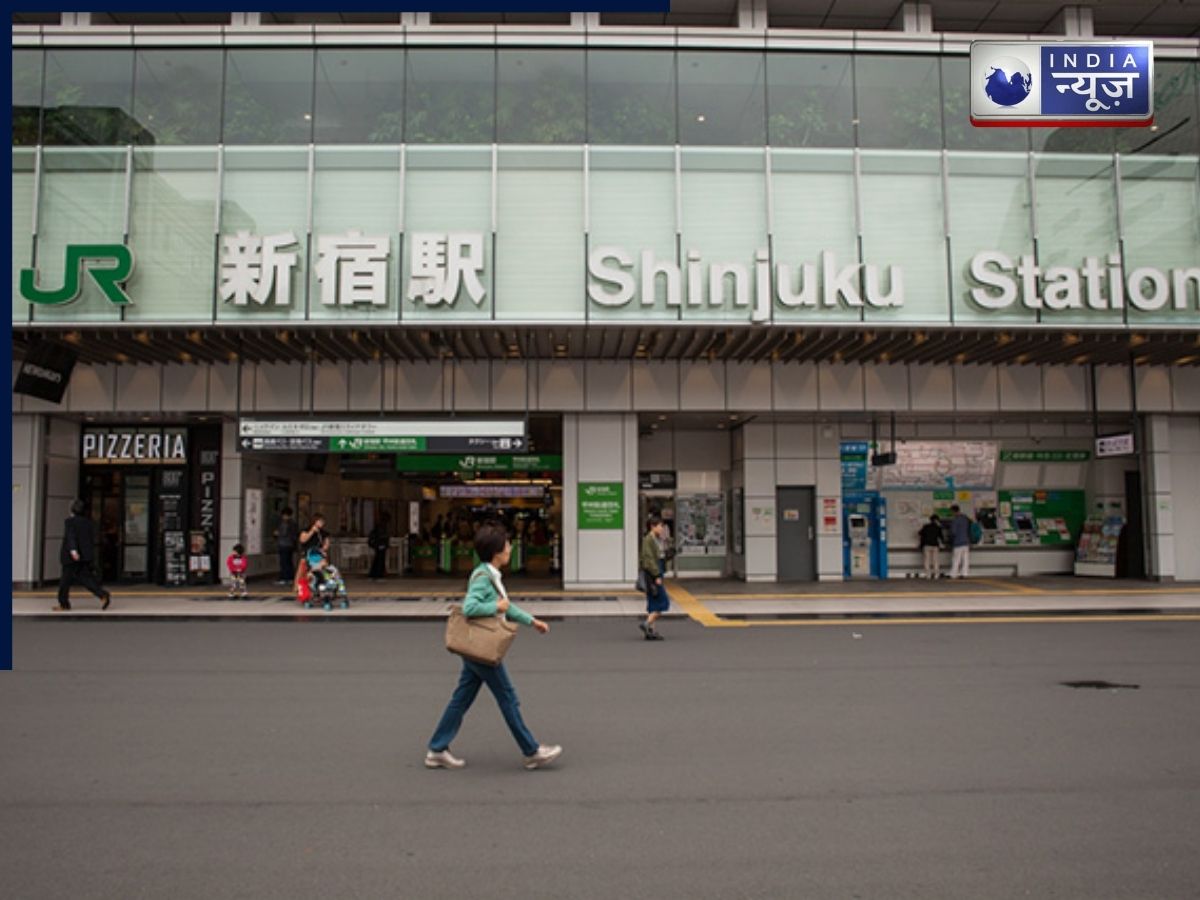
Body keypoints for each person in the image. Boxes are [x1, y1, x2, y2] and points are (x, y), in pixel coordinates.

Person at [426, 521, 562, 771]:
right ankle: (531, 750)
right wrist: (494, 608)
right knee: (507, 697)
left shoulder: (489, 574)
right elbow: (470, 608)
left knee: (461, 698)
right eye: (507, 545)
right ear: (497, 551)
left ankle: (437, 749)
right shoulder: (482, 577)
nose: (510, 548)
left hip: (476, 649)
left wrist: (532, 621)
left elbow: (507, 607)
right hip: (482, 650)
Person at [54, 499, 111, 612]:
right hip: (85, 556)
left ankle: (64, 604)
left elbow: (71, 537)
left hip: (71, 557)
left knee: (65, 581)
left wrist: (73, 551)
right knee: (85, 578)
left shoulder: (70, 522)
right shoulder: (88, 522)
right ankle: (102, 594)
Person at [638, 514, 670, 641]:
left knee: (653, 602)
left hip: (655, 572)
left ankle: (651, 631)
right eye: (660, 526)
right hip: (653, 574)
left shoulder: (656, 539)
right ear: (652, 526)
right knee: (663, 602)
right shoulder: (648, 540)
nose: (662, 528)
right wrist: (656, 575)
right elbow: (648, 559)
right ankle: (646, 624)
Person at [275, 507, 298, 585]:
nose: (283, 517)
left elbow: (283, 533)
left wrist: (277, 534)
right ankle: (290, 577)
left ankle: (285, 578)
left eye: (284, 515)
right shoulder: (293, 523)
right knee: (288, 562)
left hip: (284, 544)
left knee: (284, 562)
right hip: (290, 545)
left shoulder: (284, 523)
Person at [918, 514, 944, 580]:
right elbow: (941, 537)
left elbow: (920, 533)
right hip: (935, 545)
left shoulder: (926, 526)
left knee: (927, 560)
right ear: (936, 520)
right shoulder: (938, 527)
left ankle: (928, 575)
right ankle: (936, 575)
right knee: (935, 560)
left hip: (927, 545)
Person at [949, 505, 972, 579]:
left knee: (956, 559)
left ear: (953, 511)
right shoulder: (965, 518)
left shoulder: (956, 520)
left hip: (958, 542)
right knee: (965, 559)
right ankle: (964, 573)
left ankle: (953, 574)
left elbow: (953, 532)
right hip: (966, 542)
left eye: (951, 512)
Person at [368, 514, 390, 580]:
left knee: (378, 560)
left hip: (378, 545)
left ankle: (374, 574)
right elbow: (383, 537)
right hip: (380, 545)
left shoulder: (379, 527)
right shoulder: (382, 527)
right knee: (380, 560)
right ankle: (378, 574)